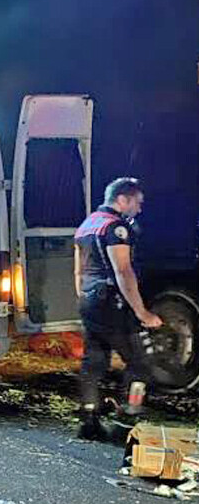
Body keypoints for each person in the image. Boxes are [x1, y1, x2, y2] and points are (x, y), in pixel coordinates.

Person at [73, 177, 162, 439]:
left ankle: (88, 420)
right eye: (137, 203)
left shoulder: (87, 225)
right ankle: (127, 420)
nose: (139, 209)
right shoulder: (116, 228)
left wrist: (85, 300)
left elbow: (78, 271)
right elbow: (123, 270)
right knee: (140, 363)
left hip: (89, 300)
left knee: (94, 361)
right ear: (122, 199)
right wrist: (142, 312)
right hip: (113, 302)